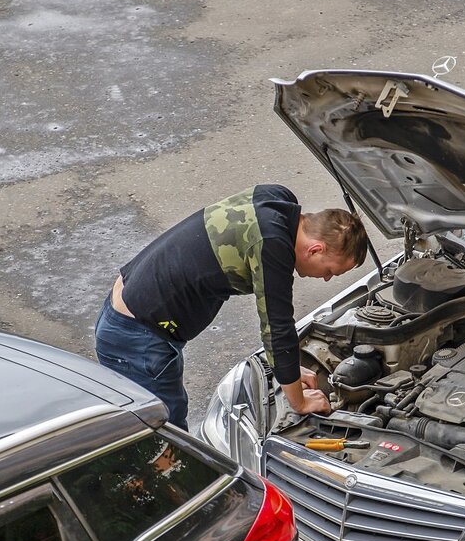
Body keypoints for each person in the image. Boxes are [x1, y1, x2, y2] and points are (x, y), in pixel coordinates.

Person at [96, 184, 369, 429]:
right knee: (166, 434)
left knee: (154, 423)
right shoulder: (272, 245)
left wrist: (291, 370)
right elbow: (277, 328)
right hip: (135, 339)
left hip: (129, 310)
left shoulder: (277, 201)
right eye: (331, 270)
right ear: (315, 250)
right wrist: (299, 402)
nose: (327, 278)